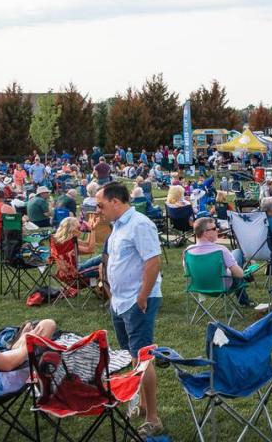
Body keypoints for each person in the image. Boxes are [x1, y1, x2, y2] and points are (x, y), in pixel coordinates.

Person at [97, 181, 162, 437]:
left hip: (138, 301)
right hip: (120, 301)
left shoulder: (140, 224)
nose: (99, 210)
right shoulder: (117, 228)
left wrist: (143, 297)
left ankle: (153, 418)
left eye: (101, 205)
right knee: (133, 355)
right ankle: (142, 402)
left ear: (115, 201)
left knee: (144, 358)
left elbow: (153, 262)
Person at [185, 216, 249, 305]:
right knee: (237, 253)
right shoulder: (221, 250)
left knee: (235, 255)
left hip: (199, 286)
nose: (217, 230)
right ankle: (243, 300)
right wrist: (244, 273)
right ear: (205, 233)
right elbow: (240, 274)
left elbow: (188, 271)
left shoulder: (188, 251)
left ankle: (244, 300)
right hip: (221, 286)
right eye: (214, 228)